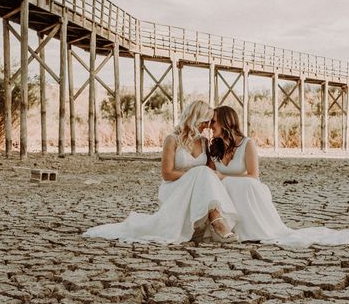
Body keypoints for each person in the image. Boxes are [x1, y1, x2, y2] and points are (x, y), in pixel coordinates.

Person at [209, 105, 349, 247]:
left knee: (240, 184)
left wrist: (224, 177)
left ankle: (252, 230)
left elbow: (253, 176)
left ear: (225, 122)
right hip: (226, 193)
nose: (210, 125)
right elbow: (209, 175)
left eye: (213, 121)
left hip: (245, 188)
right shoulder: (214, 148)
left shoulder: (247, 143)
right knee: (223, 186)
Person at [84, 100, 238, 244]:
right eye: (206, 121)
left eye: (210, 122)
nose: (208, 126)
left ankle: (214, 218)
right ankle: (217, 221)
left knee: (204, 172)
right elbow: (167, 173)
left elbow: (211, 172)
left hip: (194, 189)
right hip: (174, 187)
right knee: (201, 172)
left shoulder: (204, 142)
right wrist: (193, 176)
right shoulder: (172, 139)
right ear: (195, 118)